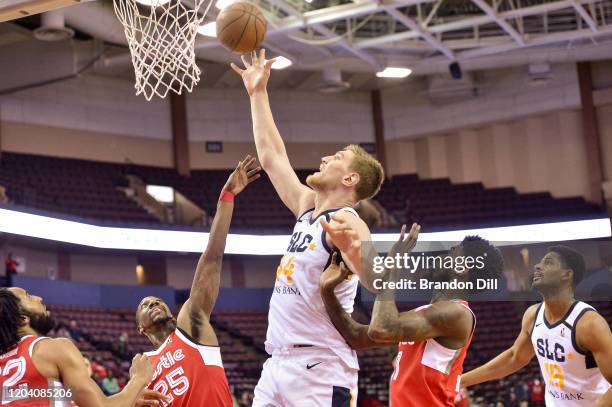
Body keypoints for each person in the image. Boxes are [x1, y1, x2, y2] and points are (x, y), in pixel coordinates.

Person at [231, 49, 385, 406]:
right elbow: (272, 157)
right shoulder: (306, 209)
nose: (324, 159)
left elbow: (377, 280)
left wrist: (357, 252)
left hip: (321, 365)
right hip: (277, 364)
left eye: (336, 158)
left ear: (350, 178)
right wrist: (257, 93)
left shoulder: (348, 220)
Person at [319, 224, 504, 407]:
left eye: (453, 252)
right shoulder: (429, 316)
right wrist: (327, 291)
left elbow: (380, 329)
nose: (442, 255)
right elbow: (356, 337)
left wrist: (393, 265)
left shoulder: (456, 314)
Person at [135, 156, 261, 407]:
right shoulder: (141, 367)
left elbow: (212, 258)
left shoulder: (189, 325)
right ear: (141, 328)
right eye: (145, 305)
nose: (153, 304)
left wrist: (226, 199)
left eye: (157, 301)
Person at [461, 246, 612, 406]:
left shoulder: (589, 324)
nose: (537, 266)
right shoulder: (532, 315)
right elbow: (514, 358)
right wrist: (459, 381)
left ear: (567, 275)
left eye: (548, 262)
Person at [0, 287, 162, 406]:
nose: (39, 298)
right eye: (28, 296)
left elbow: (41, 396)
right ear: (22, 319)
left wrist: (127, 399)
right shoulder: (52, 348)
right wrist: (138, 379)